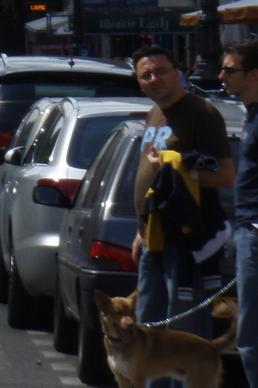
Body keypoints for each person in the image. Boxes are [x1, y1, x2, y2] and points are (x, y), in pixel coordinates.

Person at [131, 44, 234, 381]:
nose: (154, 78)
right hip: (154, 238)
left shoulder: (201, 113)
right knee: (149, 333)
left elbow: (226, 175)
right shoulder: (154, 113)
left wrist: (175, 169)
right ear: (139, 82)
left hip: (187, 239)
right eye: (146, 75)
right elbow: (153, 183)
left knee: (184, 333)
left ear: (178, 72)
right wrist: (140, 229)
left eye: (161, 70)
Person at [220, 38, 258, 388]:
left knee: (251, 338)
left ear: (254, 75)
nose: (222, 76)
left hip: (255, 234)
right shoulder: (251, 116)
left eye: (230, 70)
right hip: (247, 231)